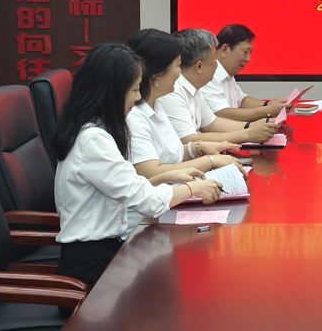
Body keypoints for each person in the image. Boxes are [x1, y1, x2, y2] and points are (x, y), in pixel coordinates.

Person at [51, 43, 222, 290]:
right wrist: (191, 189)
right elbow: (146, 201)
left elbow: (123, 187)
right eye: (133, 90)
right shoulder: (93, 140)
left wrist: (164, 178)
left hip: (107, 252)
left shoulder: (94, 129)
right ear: (111, 92)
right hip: (92, 269)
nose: (138, 97)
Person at [126, 28, 246, 179]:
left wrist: (197, 147)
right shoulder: (134, 116)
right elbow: (151, 172)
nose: (180, 73)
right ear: (157, 75)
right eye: (178, 66)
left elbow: (171, 153)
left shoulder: (156, 106)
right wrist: (211, 161)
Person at [157, 28, 280, 144]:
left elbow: (212, 124)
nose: (217, 65)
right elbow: (189, 139)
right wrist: (247, 134)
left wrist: (252, 126)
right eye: (214, 59)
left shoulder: (195, 88)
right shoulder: (172, 91)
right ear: (199, 66)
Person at [201, 24, 292, 122]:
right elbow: (222, 113)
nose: (248, 59)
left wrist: (268, 104)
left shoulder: (228, 74)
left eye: (250, 53)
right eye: (245, 52)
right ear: (225, 49)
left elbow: (241, 100)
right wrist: (267, 111)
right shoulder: (208, 75)